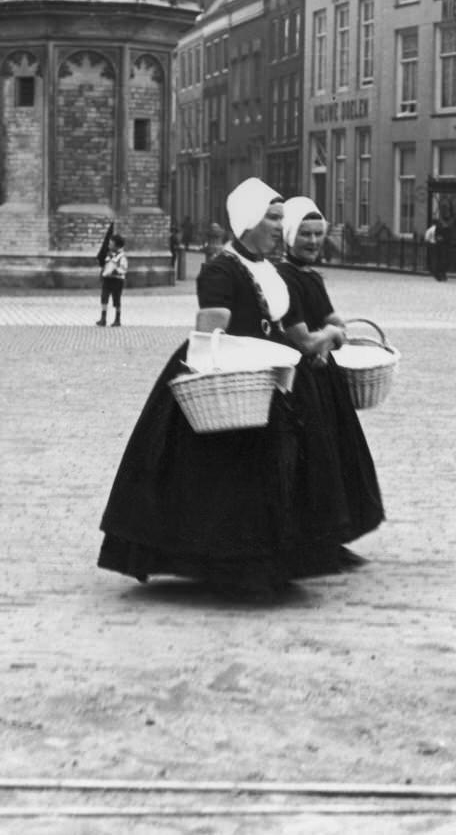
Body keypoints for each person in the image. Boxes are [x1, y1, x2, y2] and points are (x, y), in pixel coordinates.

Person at [97, 178, 359, 598]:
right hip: (232, 378)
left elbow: (300, 337)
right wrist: (218, 374)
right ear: (247, 222)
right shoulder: (222, 268)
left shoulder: (272, 272)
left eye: (279, 218)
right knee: (229, 475)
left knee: (279, 468)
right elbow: (210, 332)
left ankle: (271, 561)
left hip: (271, 377)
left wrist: (325, 338)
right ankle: (230, 566)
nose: (279, 226)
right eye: (272, 218)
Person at [277, 197, 384, 566]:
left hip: (323, 380)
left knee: (338, 460)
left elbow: (334, 320)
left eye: (318, 234)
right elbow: (303, 339)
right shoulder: (284, 277)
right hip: (301, 383)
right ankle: (316, 546)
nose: (312, 241)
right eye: (304, 234)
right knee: (316, 465)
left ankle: (332, 541)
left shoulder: (310, 276)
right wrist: (330, 336)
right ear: (289, 235)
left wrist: (330, 332)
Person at [96, 233, 127, 327]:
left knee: (116, 299)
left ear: (117, 246)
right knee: (104, 297)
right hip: (107, 279)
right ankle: (103, 318)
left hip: (117, 280)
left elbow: (123, 269)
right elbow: (105, 265)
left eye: (111, 244)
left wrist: (115, 270)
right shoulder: (109, 255)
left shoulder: (121, 257)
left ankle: (117, 318)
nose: (109, 245)